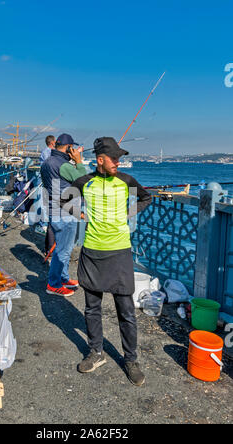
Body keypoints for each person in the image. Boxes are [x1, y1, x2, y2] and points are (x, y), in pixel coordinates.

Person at [70, 137, 152, 385]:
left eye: (119, 158)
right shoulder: (85, 182)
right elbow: (62, 200)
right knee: (91, 308)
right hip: (92, 251)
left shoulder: (126, 181)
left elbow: (146, 198)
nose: (118, 162)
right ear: (100, 160)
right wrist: (81, 214)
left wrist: (127, 214)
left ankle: (130, 359)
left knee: (125, 311)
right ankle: (96, 352)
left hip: (119, 252)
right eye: (114, 158)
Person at [40, 133, 87, 297]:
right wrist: (79, 162)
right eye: (71, 148)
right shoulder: (64, 165)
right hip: (66, 211)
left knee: (62, 246)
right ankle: (53, 284)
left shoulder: (47, 162)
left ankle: (64, 278)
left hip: (54, 208)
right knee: (63, 250)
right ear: (68, 148)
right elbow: (84, 181)